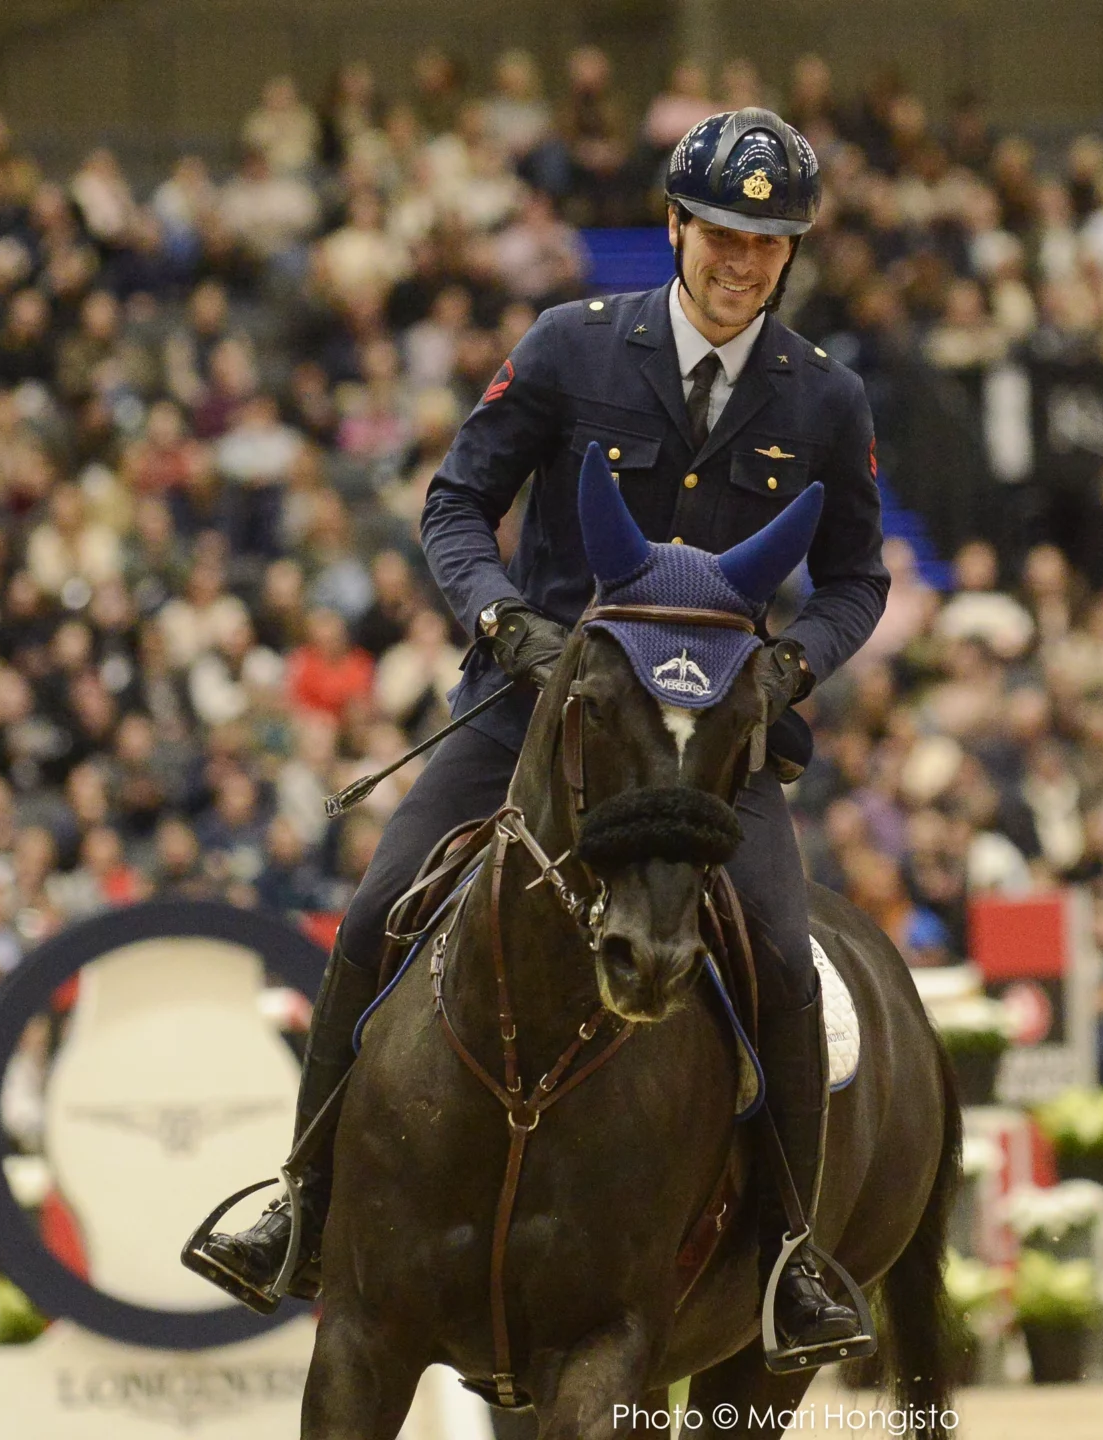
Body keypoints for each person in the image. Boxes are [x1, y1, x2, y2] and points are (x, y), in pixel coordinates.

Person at [188, 108, 888, 1368]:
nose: (742, 261)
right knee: (379, 903)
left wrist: (790, 668)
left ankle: (789, 1261)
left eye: (768, 243)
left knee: (782, 956)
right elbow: (457, 501)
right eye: (724, 233)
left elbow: (855, 583)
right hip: (538, 710)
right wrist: (503, 619)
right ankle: (302, 1202)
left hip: (709, 745)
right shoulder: (572, 348)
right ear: (677, 226)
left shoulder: (822, 397)